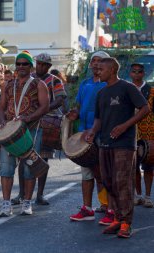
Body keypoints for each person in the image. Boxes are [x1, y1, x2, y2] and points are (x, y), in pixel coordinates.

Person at [85, 57, 149, 238]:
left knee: (122, 182)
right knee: (108, 181)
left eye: (101, 69)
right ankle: (117, 219)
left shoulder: (127, 87)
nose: (98, 71)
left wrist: (125, 126)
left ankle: (126, 223)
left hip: (124, 144)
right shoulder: (101, 93)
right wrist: (92, 131)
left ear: (112, 70)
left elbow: (145, 109)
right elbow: (98, 119)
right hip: (104, 143)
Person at [0, 51, 49, 217]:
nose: (20, 67)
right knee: (6, 168)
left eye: (24, 64)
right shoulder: (8, 85)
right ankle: (6, 203)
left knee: (29, 169)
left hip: (31, 130)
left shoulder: (39, 84)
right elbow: (1, 107)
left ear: (30, 66)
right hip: (11, 132)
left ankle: (27, 203)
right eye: (18, 64)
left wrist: (28, 118)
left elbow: (44, 107)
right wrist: (2, 121)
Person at [67, 51, 112, 224]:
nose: (95, 64)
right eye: (93, 60)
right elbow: (79, 106)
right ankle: (87, 208)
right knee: (87, 173)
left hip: (103, 133)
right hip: (84, 133)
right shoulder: (85, 83)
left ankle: (108, 207)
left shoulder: (109, 85)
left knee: (103, 173)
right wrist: (74, 114)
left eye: (100, 61)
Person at [31, 53, 66, 205]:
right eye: (39, 63)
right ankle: (21, 194)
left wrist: (44, 109)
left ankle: (40, 194)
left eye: (44, 64)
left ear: (49, 66)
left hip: (47, 121)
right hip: (29, 121)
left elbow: (59, 99)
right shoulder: (29, 78)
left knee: (43, 158)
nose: (40, 66)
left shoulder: (54, 80)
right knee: (25, 158)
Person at [130, 63, 154, 208]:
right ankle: (137, 195)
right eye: (134, 72)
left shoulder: (152, 91)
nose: (137, 74)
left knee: (149, 166)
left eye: (139, 72)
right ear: (131, 73)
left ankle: (148, 196)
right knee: (134, 166)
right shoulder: (126, 89)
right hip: (131, 132)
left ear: (143, 73)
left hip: (149, 132)